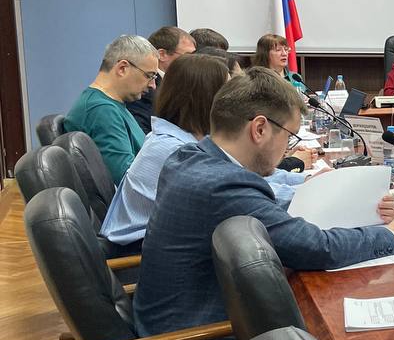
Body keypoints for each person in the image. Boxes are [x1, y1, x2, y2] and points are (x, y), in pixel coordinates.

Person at [131, 68, 394, 340]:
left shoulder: (191, 157)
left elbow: (276, 222)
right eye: (289, 136)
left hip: (167, 334)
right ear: (259, 129)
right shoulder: (222, 185)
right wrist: (392, 235)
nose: (288, 148)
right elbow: (314, 248)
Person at [101, 54, 313, 249]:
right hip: (133, 255)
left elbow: (246, 178)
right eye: (229, 91)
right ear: (209, 99)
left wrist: (306, 182)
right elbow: (242, 191)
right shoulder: (175, 150)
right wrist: (311, 191)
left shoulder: (177, 139)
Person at [64, 34, 158, 184]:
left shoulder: (112, 105)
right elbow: (127, 180)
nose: (153, 85)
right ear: (122, 68)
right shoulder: (101, 110)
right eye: (149, 76)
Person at [126, 26, 195, 134]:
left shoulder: (181, 84)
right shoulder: (144, 88)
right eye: (188, 56)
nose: (194, 62)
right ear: (162, 55)